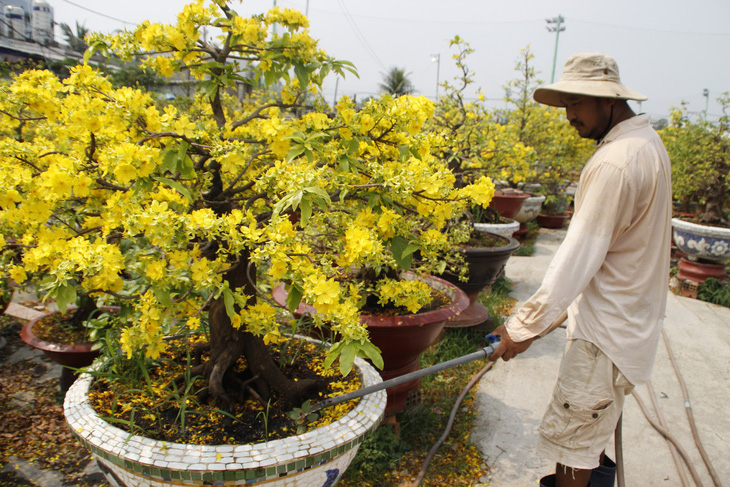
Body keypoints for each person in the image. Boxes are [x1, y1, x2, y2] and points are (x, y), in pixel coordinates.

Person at [489, 52, 672, 487]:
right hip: (627, 327)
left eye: (577, 103)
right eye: (565, 105)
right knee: (587, 437)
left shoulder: (613, 163)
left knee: (574, 449)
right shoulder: (648, 143)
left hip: (604, 339)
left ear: (609, 100)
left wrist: (522, 327)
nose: (569, 116)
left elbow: (577, 258)